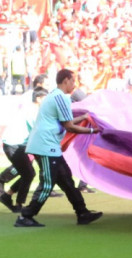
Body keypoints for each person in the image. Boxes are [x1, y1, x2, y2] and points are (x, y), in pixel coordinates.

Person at [15, 69, 102, 227]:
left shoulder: (55, 96)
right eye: (73, 81)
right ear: (66, 80)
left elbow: (65, 121)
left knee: (67, 180)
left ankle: (82, 213)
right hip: (46, 147)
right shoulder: (60, 97)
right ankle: (25, 216)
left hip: (50, 146)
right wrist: (92, 131)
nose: (74, 85)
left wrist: (83, 117)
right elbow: (69, 126)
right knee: (48, 184)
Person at [1, 83, 46, 212]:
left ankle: (8, 196)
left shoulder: (30, 109)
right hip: (14, 145)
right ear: (39, 99)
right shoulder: (33, 111)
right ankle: (18, 203)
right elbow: (38, 131)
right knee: (28, 174)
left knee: (28, 173)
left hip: (15, 144)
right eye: (46, 98)